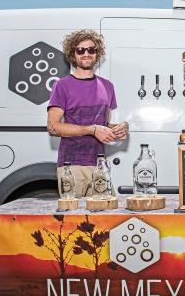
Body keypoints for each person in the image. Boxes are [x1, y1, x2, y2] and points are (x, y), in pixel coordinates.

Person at [47, 30, 128, 197]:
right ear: (73, 53)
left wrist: (120, 128)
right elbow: (53, 127)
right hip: (72, 165)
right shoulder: (62, 85)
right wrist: (91, 129)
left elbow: (103, 126)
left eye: (91, 50)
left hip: (99, 166)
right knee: (72, 219)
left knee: (106, 217)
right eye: (80, 50)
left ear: (97, 54)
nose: (86, 54)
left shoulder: (107, 86)